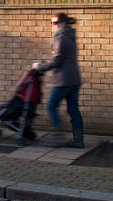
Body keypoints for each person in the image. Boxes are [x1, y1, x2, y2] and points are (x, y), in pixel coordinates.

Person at [32, 12, 84, 148]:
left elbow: (57, 60)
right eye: (52, 23)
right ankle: (79, 141)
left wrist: (40, 66)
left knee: (51, 106)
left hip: (63, 80)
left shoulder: (61, 36)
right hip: (74, 79)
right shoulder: (71, 35)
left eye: (55, 22)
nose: (53, 25)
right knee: (74, 110)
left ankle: (58, 138)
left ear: (63, 22)